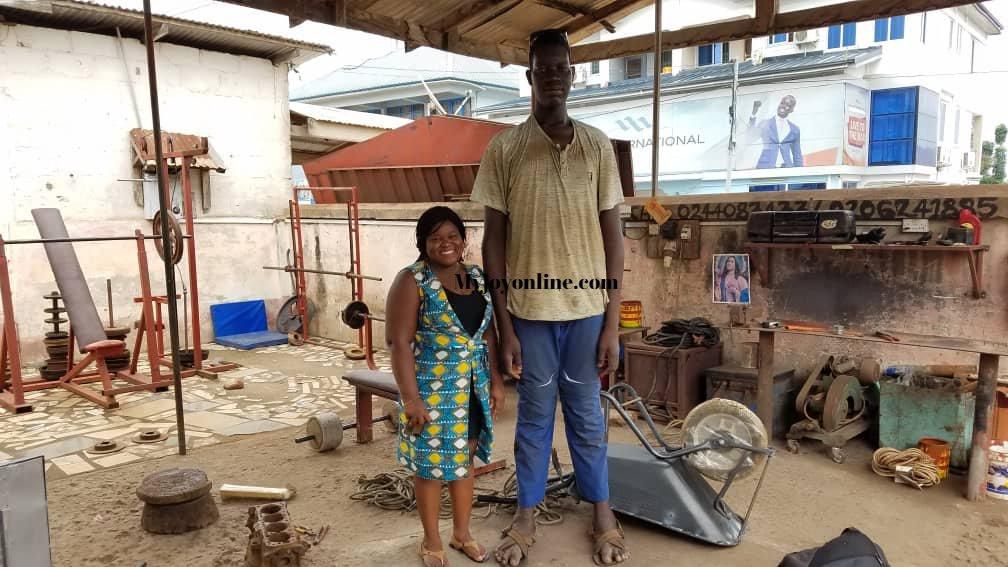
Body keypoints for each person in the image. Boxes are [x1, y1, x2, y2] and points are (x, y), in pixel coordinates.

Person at [469, 28, 628, 566]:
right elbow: (494, 240)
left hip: (587, 312)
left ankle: (602, 512)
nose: (555, 76)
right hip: (529, 314)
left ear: (572, 74)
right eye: (545, 67)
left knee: (587, 414)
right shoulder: (506, 148)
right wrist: (502, 327)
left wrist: (612, 323)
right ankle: (526, 515)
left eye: (563, 67)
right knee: (534, 417)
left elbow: (613, 236)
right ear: (530, 75)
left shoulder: (597, 145)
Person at [385, 206, 506, 567]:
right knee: (430, 468)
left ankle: (461, 534)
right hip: (432, 389)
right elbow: (398, 342)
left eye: (452, 236)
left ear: (463, 239)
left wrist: (496, 381)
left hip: (472, 386)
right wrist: (411, 399)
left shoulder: (476, 277)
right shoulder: (412, 280)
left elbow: (487, 333)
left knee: (465, 461)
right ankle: (431, 540)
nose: (445, 243)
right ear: (423, 243)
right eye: (435, 237)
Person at [748, 95, 803, 168]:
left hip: (786, 169)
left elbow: (797, 155)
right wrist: (753, 113)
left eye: (788, 105)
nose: (783, 106)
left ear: (792, 110)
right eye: (782, 103)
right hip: (765, 168)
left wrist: (799, 172)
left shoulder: (794, 129)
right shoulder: (765, 124)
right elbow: (750, 136)